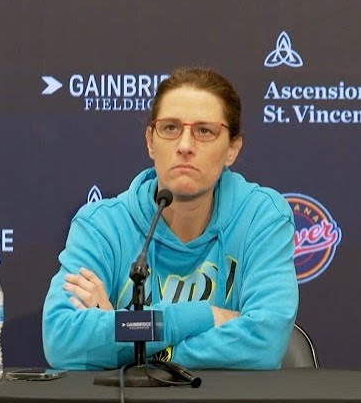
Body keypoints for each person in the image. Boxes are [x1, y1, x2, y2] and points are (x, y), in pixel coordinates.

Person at [42, 67, 298, 370]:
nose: (185, 146)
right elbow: (62, 339)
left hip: (228, 402)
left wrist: (129, 340)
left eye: (205, 131)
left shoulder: (262, 218)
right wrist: (201, 316)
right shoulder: (102, 226)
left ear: (232, 149)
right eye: (171, 128)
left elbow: (264, 342)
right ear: (151, 142)